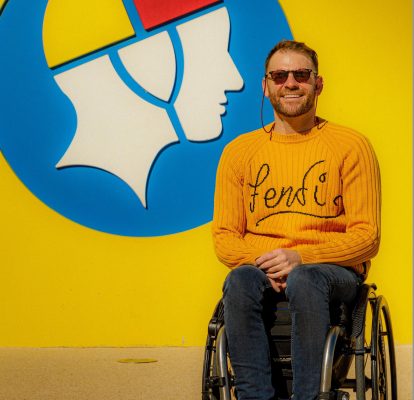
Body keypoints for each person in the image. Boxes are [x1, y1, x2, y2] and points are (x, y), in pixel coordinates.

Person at [212, 40, 381, 400]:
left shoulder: (351, 146)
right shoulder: (239, 153)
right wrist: (271, 261)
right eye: (280, 75)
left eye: (301, 75)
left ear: (318, 84)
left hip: (333, 272)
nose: (290, 82)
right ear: (266, 85)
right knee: (239, 278)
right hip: (262, 268)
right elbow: (225, 239)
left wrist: (300, 258)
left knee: (305, 278)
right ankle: (255, 395)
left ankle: (310, 395)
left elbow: (367, 237)